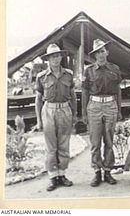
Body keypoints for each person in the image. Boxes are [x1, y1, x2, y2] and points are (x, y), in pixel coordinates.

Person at [35, 44, 77, 191]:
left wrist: (74, 115)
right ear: (48, 59)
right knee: (51, 146)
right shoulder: (41, 77)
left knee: (64, 145)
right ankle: (53, 176)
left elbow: (73, 96)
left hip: (65, 109)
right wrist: (39, 120)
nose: (55, 59)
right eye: (52, 56)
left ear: (61, 57)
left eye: (57, 56)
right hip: (49, 110)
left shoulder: (69, 74)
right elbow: (38, 99)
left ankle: (62, 174)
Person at [82, 39, 122, 187]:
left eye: (103, 51)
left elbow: (118, 90)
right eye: (98, 52)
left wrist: (118, 108)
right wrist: (85, 113)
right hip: (94, 106)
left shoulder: (115, 68)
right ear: (94, 55)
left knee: (109, 141)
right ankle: (97, 172)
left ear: (107, 52)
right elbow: (85, 92)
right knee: (95, 142)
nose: (101, 54)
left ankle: (108, 171)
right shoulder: (89, 70)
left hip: (111, 105)